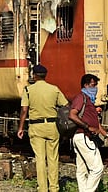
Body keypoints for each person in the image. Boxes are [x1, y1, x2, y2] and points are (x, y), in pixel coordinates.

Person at [17, 64, 68, 192]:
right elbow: (65, 105)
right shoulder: (54, 89)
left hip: (36, 127)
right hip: (52, 127)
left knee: (40, 159)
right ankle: (54, 188)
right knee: (53, 158)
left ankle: (43, 189)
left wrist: (20, 128)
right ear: (45, 76)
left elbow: (24, 110)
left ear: (34, 75)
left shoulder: (28, 90)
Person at [68, 74, 108, 192]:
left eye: (96, 85)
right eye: (93, 85)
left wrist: (107, 136)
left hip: (81, 137)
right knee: (97, 168)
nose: (95, 88)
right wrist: (87, 127)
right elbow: (72, 114)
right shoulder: (81, 98)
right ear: (85, 85)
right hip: (83, 136)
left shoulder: (89, 100)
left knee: (82, 170)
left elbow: (96, 125)